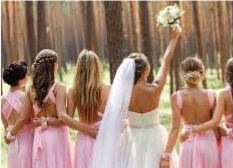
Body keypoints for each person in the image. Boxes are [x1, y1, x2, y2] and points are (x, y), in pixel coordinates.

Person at [90, 25, 182, 168]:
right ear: (146, 70)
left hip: (132, 141)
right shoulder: (155, 88)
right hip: (156, 139)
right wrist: (174, 38)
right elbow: (166, 60)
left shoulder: (123, 95)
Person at [181, 57, 233, 168]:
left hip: (230, 145)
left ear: (228, 74)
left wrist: (225, 130)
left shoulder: (223, 94)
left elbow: (215, 122)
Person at [9, 49, 73, 168]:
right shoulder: (59, 88)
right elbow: (64, 119)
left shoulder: (30, 89)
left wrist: (11, 133)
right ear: (53, 65)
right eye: (57, 63)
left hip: (40, 141)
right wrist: (46, 121)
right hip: (58, 138)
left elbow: (25, 117)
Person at [162, 57, 219, 168]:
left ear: (183, 75)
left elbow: (175, 128)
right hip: (209, 144)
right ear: (202, 74)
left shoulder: (176, 97)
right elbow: (216, 125)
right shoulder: (212, 95)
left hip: (188, 142)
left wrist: (166, 155)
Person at [66, 50, 110, 168]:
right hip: (104, 139)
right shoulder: (109, 90)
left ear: (79, 69)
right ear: (97, 67)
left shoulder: (72, 92)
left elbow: (68, 120)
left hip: (83, 142)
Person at [0, 62, 33, 168]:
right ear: (21, 79)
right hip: (27, 141)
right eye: (26, 75)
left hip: (11, 143)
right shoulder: (26, 98)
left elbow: (5, 126)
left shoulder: (1, 100)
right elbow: (31, 120)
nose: (28, 77)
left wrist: (9, 134)